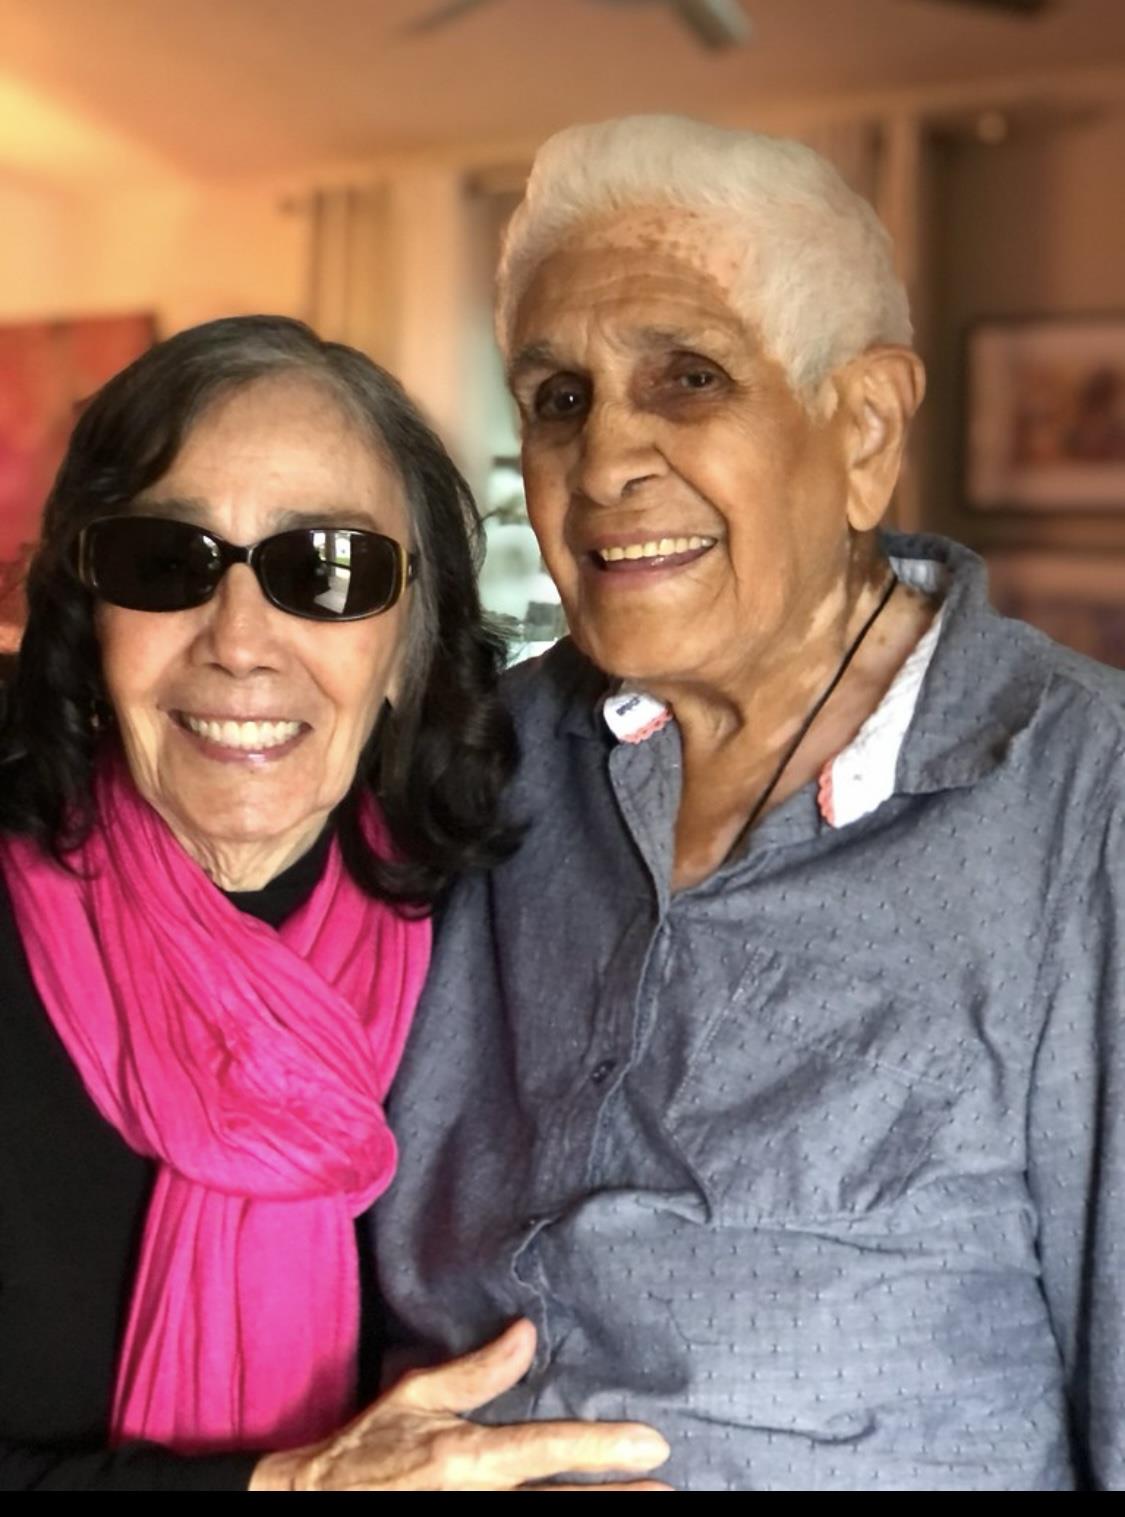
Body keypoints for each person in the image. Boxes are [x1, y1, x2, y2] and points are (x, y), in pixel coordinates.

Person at [375, 117, 1125, 1491]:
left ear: (863, 428)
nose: (603, 464)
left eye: (688, 378)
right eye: (557, 399)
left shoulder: (1085, 805)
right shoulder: (473, 759)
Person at [0, 315, 669, 1492]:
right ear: (87, 611)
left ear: (412, 645)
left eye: (330, 570)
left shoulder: (501, 924)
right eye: (168, 561)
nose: (243, 642)